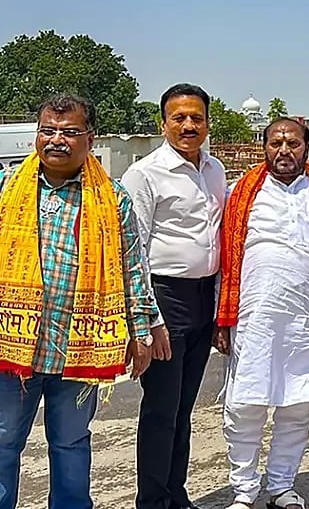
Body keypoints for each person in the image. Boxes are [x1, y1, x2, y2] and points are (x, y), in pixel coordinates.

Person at [0, 94, 162, 509]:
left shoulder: (113, 198)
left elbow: (132, 268)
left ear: (91, 138)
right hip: (11, 348)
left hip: (80, 347)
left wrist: (140, 332)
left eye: (70, 132)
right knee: (2, 442)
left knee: (71, 444)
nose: (57, 140)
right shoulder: (6, 189)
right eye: (48, 130)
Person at [214, 118, 309, 509]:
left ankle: (281, 486)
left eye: (293, 143)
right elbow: (223, 259)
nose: (284, 151)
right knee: (245, 405)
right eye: (276, 143)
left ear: (307, 147)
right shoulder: (239, 194)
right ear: (264, 147)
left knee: (297, 404)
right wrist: (219, 318)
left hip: (308, 319)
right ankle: (244, 491)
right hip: (251, 317)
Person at [123, 83, 227, 509]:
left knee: (184, 408)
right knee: (161, 409)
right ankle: (152, 500)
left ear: (207, 123)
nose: (188, 126)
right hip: (165, 297)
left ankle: (176, 493)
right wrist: (150, 319)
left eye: (196, 118)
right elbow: (134, 250)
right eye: (179, 118)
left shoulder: (215, 169)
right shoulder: (145, 174)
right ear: (162, 123)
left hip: (204, 297)